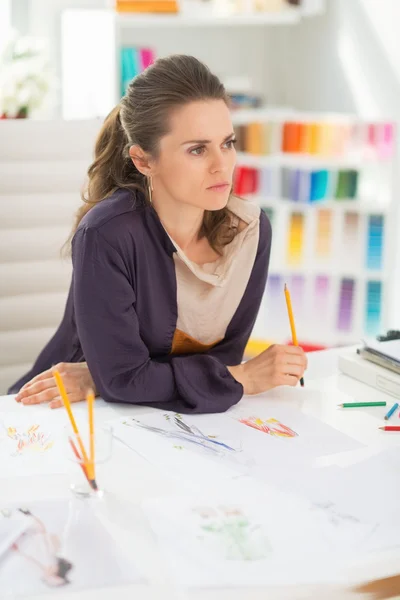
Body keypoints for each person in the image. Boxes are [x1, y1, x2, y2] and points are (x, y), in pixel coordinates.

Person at [9, 55, 307, 414]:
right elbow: (128, 379)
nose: (222, 165)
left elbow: (223, 359)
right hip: (61, 410)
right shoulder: (106, 235)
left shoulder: (250, 233)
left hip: (163, 419)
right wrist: (244, 378)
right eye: (198, 149)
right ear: (144, 161)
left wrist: (105, 378)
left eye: (227, 143)